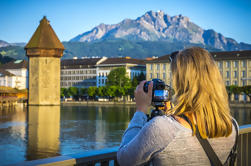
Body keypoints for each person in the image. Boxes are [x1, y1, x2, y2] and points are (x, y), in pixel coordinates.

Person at [117, 47, 238, 166]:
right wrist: (173, 115)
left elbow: (124, 159)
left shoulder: (161, 128)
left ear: (181, 83)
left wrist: (141, 110)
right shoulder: (232, 126)